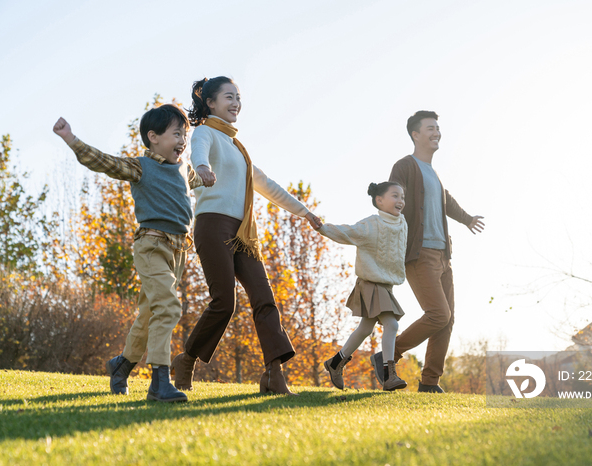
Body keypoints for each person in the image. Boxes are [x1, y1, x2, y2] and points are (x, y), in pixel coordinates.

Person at [171, 76, 323, 395]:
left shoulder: (239, 149)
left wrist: (304, 212)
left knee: (264, 299)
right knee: (225, 302)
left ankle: (273, 376)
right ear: (210, 103)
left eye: (238, 97)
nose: (236, 102)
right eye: (229, 96)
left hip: (242, 233)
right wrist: (201, 168)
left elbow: (267, 186)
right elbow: (196, 153)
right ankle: (185, 360)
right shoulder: (206, 133)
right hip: (213, 225)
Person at [52, 104, 214, 402]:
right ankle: (159, 383)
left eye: (185, 135)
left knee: (150, 313)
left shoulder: (183, 169)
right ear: (153, 137)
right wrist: (71, 139)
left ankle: (121, 365)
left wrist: (205, 174)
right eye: (176, 134)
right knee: (168, 307)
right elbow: (104, 162)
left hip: (179, 250)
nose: (182, 141)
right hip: (151, 245)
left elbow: (195, 178)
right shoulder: (141, 166)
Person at [370, 111, 485, 393]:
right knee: (438, 314)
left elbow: (447, 201)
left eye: (438, 128)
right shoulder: (405, 166)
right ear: (416, 135)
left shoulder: (433, 173)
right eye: (430, 128)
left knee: (447, 320)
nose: (437, 132)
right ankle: (387, 356)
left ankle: (430, 382)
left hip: (443, 255)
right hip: (418, 254)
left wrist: (467, 219)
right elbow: (391, 202)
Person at [321, 182, 409, 391]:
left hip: (386, 285)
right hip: (370, 282)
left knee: (365, 328)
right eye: (395, 196)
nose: (400, 201)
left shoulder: (402, 223)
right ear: (379, 200)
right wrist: (321, 227)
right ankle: (389, 375)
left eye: (402, 197)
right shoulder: (372, 224)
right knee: (392, 325)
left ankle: (335, 364)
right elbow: (347, 233)